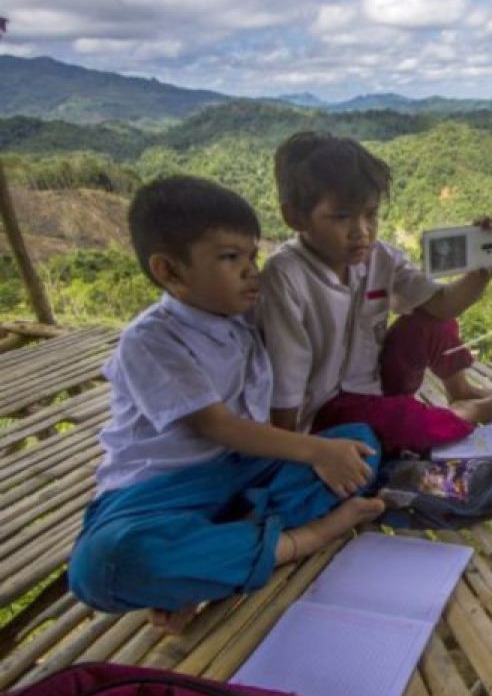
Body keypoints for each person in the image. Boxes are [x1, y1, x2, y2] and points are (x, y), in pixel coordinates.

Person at [68, 176, 386, 634]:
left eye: (252, 256)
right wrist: (315, 450)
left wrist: (328, 449)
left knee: (359, 445)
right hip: (161, 493)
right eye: (230, 258)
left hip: (245, 475)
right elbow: (215, 426)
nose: (251, 271)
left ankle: (216, 564)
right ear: (170, 271)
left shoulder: (241, 318)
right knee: (104, 566)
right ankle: (303, 538)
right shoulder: (152, 339)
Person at [257, 131, 492, 454]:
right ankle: (468, 413)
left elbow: (443, 305)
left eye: (370, 214)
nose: (362, 231)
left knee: (431, 320)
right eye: (342, 217)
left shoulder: (380, 258)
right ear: (295, 217)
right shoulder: (285, 276)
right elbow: (286, 380)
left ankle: (461, 390)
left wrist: (483, 270)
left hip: (375, 386)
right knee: (406, 422)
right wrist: (290, 449)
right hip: (325, 413)